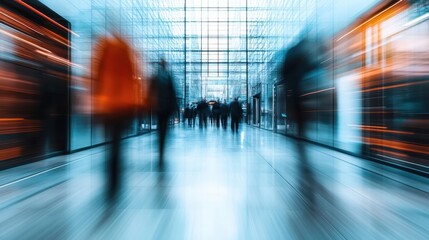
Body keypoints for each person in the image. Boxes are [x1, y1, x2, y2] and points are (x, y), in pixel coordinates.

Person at [92, 31, 141, 200]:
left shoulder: (105, 48)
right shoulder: (126, 50)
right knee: (117, 143)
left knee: (112, 142)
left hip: (109, 104)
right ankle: (115, 178)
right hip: (121, 105)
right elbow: (133, 79)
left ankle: (111, 178)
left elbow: (97, 76)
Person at [150, 58, 177, 167]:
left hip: (158, 107)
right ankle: (162, 147)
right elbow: (173, 92)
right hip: (165, 107)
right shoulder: (168, 77)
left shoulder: (155, 76)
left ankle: (160, 147)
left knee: (160, 128)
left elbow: (150, 91)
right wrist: (173, 106)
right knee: (163, 128)